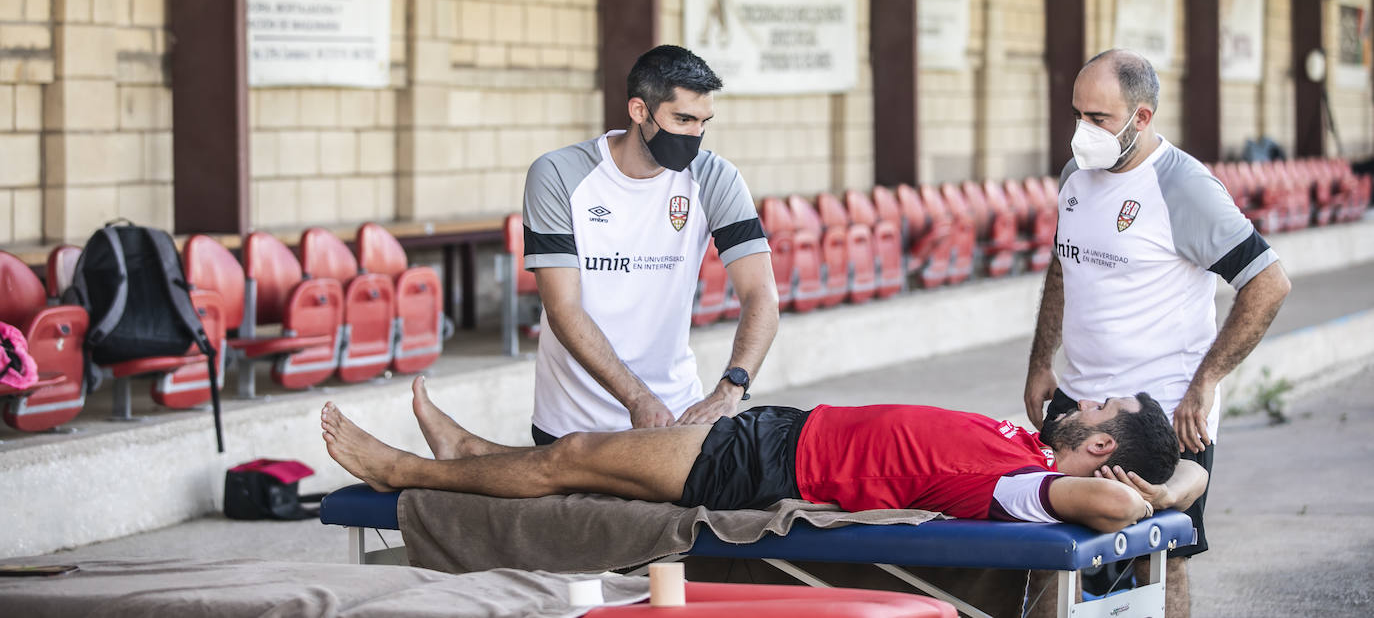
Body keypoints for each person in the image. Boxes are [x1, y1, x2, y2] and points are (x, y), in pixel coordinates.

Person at [1024, 49, 1292, 615]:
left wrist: (1206, 382)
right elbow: (1062, 266)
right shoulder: (1076, 175)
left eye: (1097, 119)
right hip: (1080, 401)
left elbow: (1268, 283)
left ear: (1141, 118)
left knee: (1161, 559)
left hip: (1164, 410)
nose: (1082, 131)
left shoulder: (1185, 188)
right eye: (1077, 114)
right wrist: (1040, 361)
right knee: (1053, 546)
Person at [321, 377, 1208, 535]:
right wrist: (1177, 479)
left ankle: (410, 473)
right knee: (587, 459)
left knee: (577, 458)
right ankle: (471, 450)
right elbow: (1187, 473)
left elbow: (1113, 508)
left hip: (773, 471)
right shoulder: (1028, 443)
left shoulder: (1032, 486)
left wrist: (1158, 499)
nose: (1080, 397)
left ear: (1098, 446)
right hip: (782, 432)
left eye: (1097, 407)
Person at [520, 45, 778, 444]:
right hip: (572, 423)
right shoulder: (558, 174)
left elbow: (761, 293)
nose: (695, 135)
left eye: (703, 122)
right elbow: (563, 308)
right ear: (640, 111)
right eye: (683, 119)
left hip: (677, 417)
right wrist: (637, 399)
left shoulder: (713, 177)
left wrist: (732, 388)